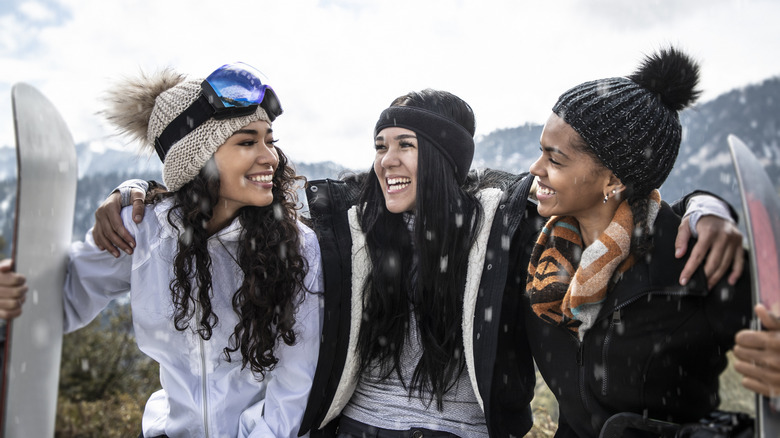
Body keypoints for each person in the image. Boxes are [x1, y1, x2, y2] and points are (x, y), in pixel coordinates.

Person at [88, 84, 747, 438]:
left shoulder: (505, 216)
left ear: (444, 160)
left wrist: (709, 205)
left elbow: (611, 188)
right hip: (356, 426)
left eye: (406, 144)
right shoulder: (351, 215)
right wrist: (147, 191)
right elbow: (242, 188)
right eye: (380, 143)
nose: (387, 159)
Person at [4, 62, 324, 438]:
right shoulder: (144, 229)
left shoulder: (296, 246)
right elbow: (63, 297)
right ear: (196, 159)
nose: (270, 156)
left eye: (270, 139)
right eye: (247, 141)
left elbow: (297, 380)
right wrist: (13, 292)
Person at [523, 47, 754, 437]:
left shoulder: (694, 259)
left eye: (555, 159)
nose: (535, 169)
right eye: (540, 151)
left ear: (612, 181)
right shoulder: (541, 250)